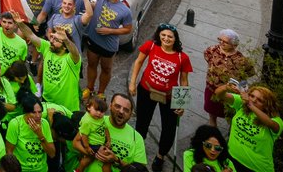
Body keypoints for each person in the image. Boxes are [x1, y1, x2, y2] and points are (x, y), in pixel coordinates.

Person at [129, 23, 192, 171]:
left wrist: (182, 103)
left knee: (169, 128)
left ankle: (160, 156)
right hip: (146, 90)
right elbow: (138, 62)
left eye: (170, 36)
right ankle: (138, 146)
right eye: (163, 35)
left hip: (169, 96)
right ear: (159, 35)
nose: (166, 38)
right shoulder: (151, 45)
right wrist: (132, 82)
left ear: (175, 39)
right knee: (142, 121)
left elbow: (183, 81)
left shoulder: (182, 57)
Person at [211, 82, 282, 172]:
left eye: (260, 100)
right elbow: (218, 94)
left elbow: (270, 124)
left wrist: (249, 104)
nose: (254, 100)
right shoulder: (242, 104)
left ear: (267, 105)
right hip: (232, 159)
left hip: (257, 168)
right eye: (252, 96)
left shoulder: (276, 120)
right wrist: (226, 87)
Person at [84, 0, 132, 99]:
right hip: (93, 39)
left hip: (109, 45)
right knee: (92, 64)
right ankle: (89, 88)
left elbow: (128, 29)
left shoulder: (124, 10)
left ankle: (100, 92)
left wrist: (110, 31)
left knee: (106, 69)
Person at [82, 93, 146, 172]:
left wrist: (116, 160)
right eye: (117, 106)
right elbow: (75, 143)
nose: (121, 111)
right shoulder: (94, 119)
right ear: (110, 106)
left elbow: (140, 170)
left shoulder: (137, 138)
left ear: (131, 114)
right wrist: (93, 153)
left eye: (126, 110)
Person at [202, 30, 253, 128]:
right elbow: (207, 58)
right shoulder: (211, 50)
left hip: (230, 92)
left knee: (230, 115)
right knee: (212, 112)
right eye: (220, 40)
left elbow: (247, 74)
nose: (221, 43)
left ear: (234, 45)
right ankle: (213, 131)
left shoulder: (241, 60)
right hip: (212, 88)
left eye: (225, 42)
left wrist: (243, 91)